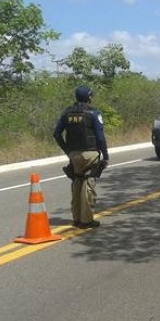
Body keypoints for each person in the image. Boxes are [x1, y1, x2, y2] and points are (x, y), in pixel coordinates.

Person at [53, 86, 109, 228]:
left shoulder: (67, 113)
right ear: (89, 97)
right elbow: (100, 137)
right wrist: (105, 155)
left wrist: (68, 151)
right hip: (90, 153)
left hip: (74, 154)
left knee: (77, 182)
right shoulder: (93, 113)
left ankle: (76, 219)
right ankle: (87, 220)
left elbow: (57, 134)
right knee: (88, 184)